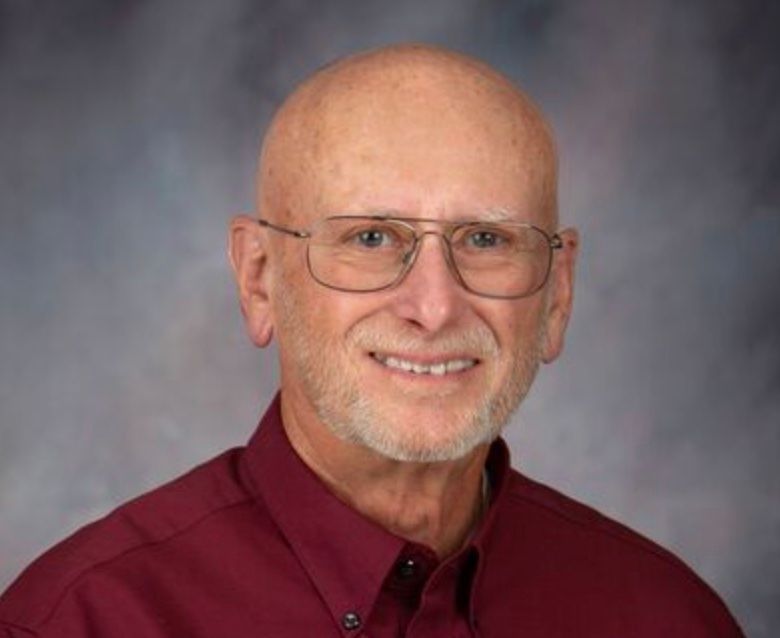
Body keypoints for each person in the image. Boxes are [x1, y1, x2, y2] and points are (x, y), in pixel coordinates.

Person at [0, 43, 744, 637]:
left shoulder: (667, 616)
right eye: (370, 236)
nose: (433, 305)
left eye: (486, 238)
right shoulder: (81, 620)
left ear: (558, 292)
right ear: (260, 279)